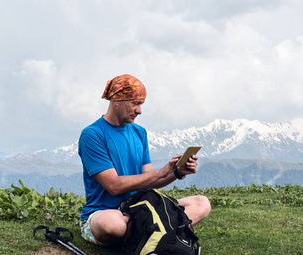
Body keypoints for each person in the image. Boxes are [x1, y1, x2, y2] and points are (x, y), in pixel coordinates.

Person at [78, 74, 211, 245]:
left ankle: (147, 233)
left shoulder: (139, 133)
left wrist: (177, 172)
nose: (139, 111)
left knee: (202, 203)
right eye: (135, 103)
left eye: (141, 104)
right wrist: (164, 171)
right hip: (106, 212)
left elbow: (149, 182)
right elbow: (114, 186)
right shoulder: (92, 135)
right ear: (117, 100)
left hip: (140, 209)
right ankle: (158, 232)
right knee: (112, 224)